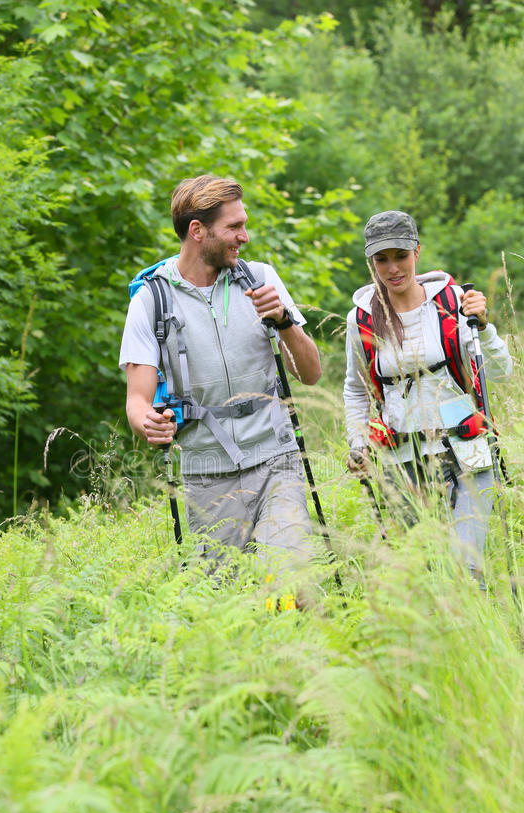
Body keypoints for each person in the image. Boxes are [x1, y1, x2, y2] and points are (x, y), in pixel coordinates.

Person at [120, 174, 321, 572]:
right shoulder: (151, 301)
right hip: (206, 474)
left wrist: (283, 320)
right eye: (234, 227)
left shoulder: (261, 280)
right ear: (197, 231)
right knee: (226, 602)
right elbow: (137, 401)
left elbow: (311, 374)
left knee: (290, 578)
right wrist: (149, 425)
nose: (244, 236)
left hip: (276, 460)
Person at [344, 209, 513, 582]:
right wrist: (357, 442)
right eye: (381, 259)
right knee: (427, 578)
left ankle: (479, 639)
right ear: (371, 261)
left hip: (468, 454)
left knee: (466, 570)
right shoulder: (360, 318)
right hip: (402, 462)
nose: (392, 268)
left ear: (417, 252)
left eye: (400, 255)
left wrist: (484, 329)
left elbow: (501, 372)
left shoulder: (453, 302)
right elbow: (355, 388)